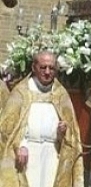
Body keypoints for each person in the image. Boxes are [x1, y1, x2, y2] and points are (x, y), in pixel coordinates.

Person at [0, 50, 84, 187]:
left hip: (52, 156)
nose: (47, 72)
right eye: (43, 67)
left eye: (51, 68)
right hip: (27, 156)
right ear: (34, 67)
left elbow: (73, 138)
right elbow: (6, 130)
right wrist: (21, 146)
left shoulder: (61, 94)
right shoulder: (20, 92)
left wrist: (62, 133)